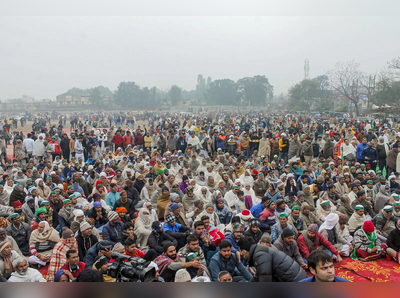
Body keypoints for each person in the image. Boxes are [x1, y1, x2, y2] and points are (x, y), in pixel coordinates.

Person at [238, 236, 308, 282]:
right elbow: (258, 276)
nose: (240, 254)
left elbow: (265, 281)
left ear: (244, 251)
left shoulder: (260, 255)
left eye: (240, 251)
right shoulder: (260, 251)